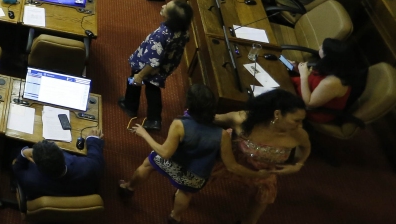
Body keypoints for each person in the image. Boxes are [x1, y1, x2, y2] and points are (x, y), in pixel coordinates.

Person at [119, 85, 243, 223]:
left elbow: (165, 153)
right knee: (185, 192)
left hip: (171, 163)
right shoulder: (223, 134)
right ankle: (175, 217)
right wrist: (258, 174)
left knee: (148, 164)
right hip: (195, 176)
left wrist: (144, 134)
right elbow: (232, 166)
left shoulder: (180, 124)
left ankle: (128, 188)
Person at [214, 90, 310, 224]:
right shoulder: (244, 120)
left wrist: (298, 165)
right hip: (234, 160)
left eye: (302, 121)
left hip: (265, 172)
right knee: (198, 173)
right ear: (277, 114)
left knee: (265, 195)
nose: (300, 125)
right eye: (296, 120)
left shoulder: (298, 134)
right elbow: (213, 118)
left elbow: (306, 147)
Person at [119, 0, 194, 131]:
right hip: (166, 65)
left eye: (166, 7)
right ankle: (154, 120)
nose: (163, 6)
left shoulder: (161, 35)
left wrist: (140, 75)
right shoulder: (184, 30)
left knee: (133, 81)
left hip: (146, 66)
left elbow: (153, 61)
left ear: (170, 17)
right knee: (153, 88)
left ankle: (130, 106)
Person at [12, 129, 104, 202]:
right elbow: (96, 156)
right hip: (76, 192)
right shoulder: (89, 168)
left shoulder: (30, 180)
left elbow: (17, 168)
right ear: (63, 155)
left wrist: (24, 152)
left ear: (38, 166)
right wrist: (92, 138)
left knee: (15, 149)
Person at [291, 38, 360, 123]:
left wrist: (304, 76)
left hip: (315, 111)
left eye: (322, 48)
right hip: (308, 89)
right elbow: (316, 77)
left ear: (329, 57)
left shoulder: (332, 83)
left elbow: (308, 103)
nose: (320, 47)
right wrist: (301, 70)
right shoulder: (337, 66)